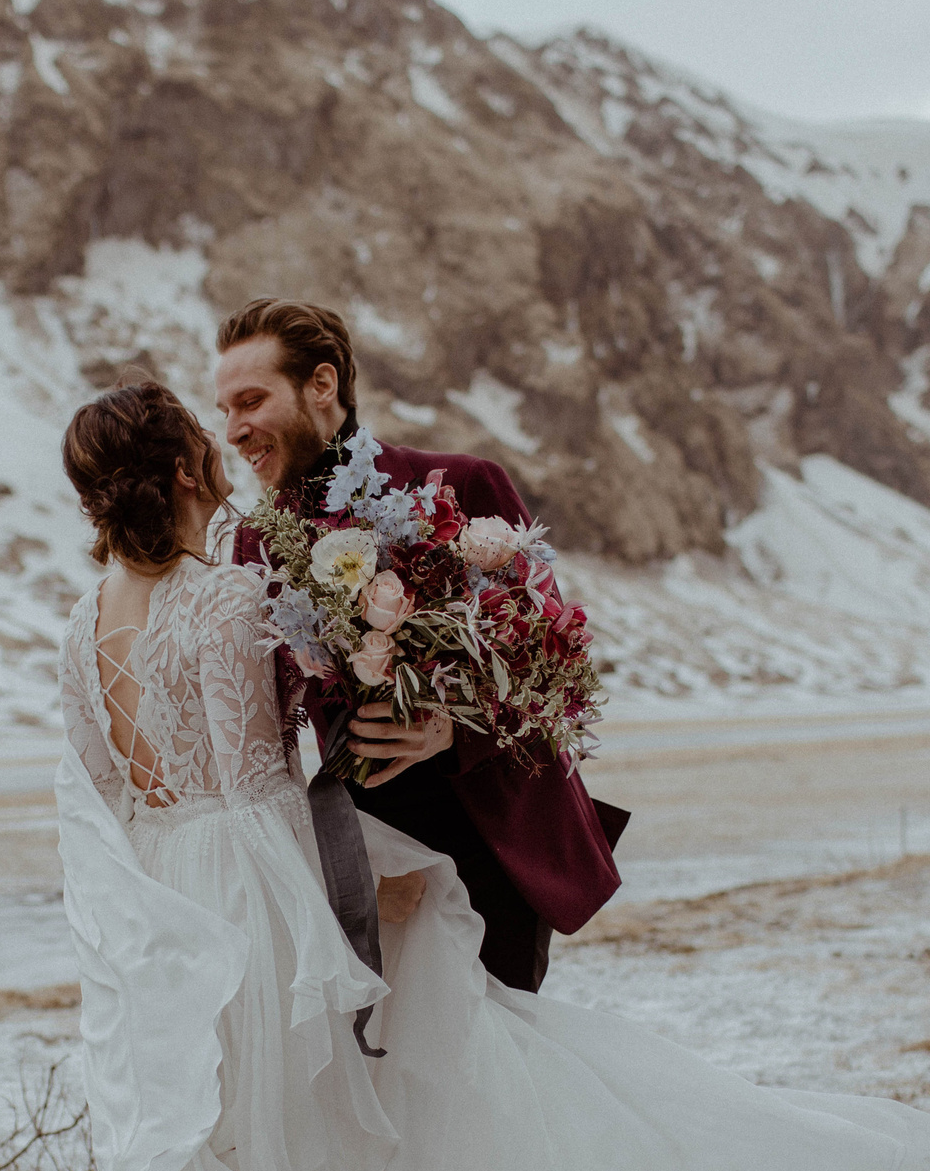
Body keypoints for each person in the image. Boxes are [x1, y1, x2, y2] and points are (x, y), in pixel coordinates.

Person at [55, 379, 930, 1171]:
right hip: (251, 919)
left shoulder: (82, 616)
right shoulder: (229, 603)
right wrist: (384, 886)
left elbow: (115, 800)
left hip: (162, 925)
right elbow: (267, 787)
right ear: (192, 472)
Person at [214, 298, 627, 996]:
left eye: (250, 401)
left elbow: (557, 668)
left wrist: (445, 731)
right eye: (223, 409)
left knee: (499, 1075)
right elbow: (273, 725)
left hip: (493, 845)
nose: (234, 430)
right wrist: (353, 861)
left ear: (322, 385)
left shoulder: (464, 485)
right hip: (373, 860)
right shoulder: (255, 544)